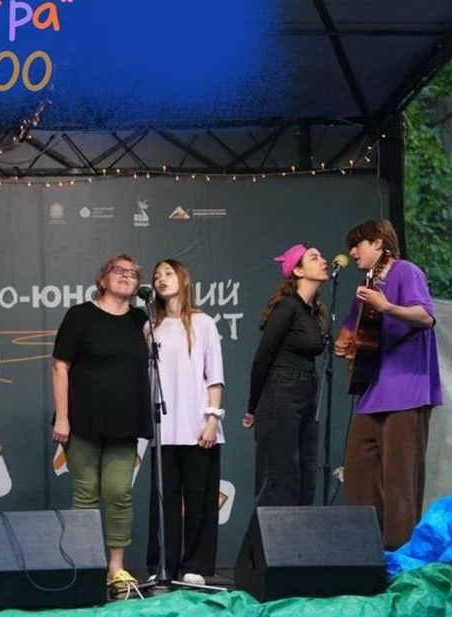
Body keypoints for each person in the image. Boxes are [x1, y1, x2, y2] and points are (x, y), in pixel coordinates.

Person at [333, 218, 440, 549]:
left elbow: (425, 317)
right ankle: (367, 548)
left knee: (399, 482)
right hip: (373, 391)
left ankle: (399, 556)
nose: (353, 252)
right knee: (358, 471)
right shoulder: (367, 284)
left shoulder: (406, 272)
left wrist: (387, 307)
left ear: (378, 243)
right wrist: (345, 344)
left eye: (358, 244)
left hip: (407, 389)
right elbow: (351, 329)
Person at [52, 254, 152, 598]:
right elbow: (60, 366)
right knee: (86, 494)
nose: (125, 276)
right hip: (83, 420)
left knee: (119, 492)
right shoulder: (80, 315)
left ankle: (115, 569)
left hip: (126, 422)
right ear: (103, 279)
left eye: (132, 273)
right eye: (118, 270)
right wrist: (62, 417)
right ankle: (85, 565)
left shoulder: (141, 320)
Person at [144, 260, 224, 587]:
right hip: (163, 429)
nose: (161, 279)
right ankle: (162, 565)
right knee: (162, 503)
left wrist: (211, 419)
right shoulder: (151, 327)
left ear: (183, 278)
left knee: (199, 499)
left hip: (198, 426)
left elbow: (214, 377)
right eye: (156, 276)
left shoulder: (203, 323)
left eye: (168, 273)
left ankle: (195, 565)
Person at [243, 244, 329, 507]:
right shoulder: (288, 307)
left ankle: (298, 535)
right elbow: (263, 357)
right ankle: (267, 535)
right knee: (280, 478)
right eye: (314, 257)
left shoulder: (312, 312)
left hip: (306, 397)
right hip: (281, 395)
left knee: (304, 478)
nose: (324, 261)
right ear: (298, 270)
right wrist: (253, 407)